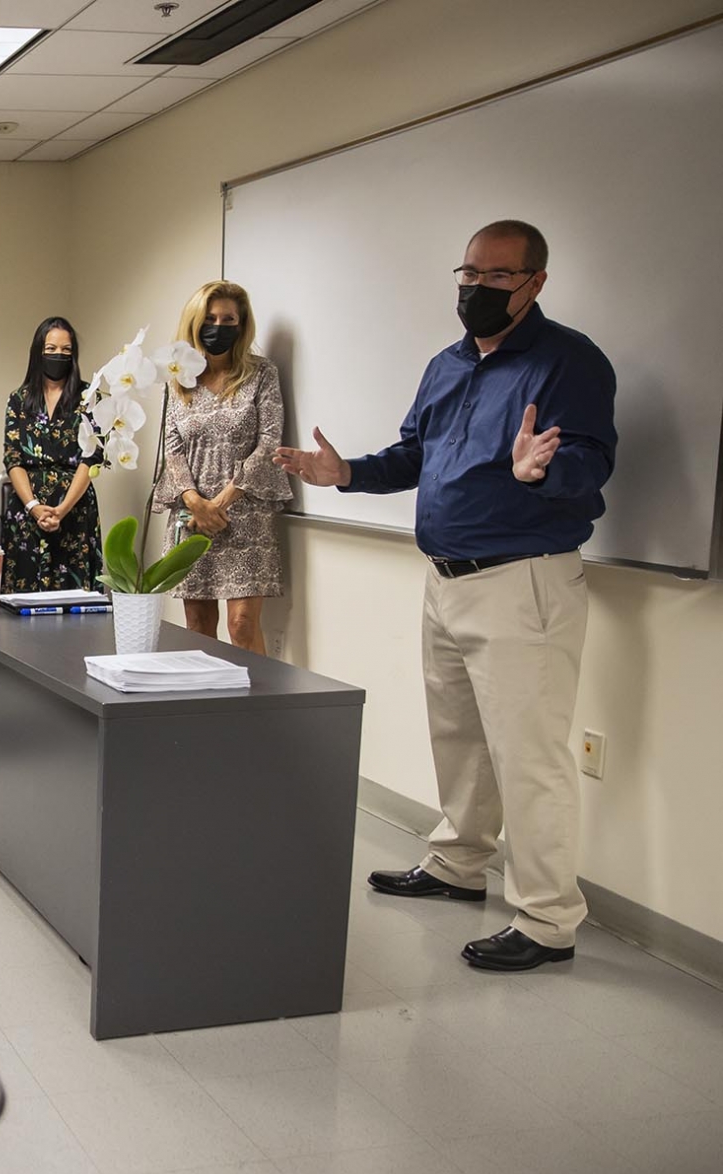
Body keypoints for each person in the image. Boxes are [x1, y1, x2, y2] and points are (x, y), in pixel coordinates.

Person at [275, 219, 616, 973]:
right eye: (468, 273)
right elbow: (416, 455)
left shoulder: (569, 361)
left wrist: (541, 472)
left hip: (524, 581)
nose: (477, 288)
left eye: (498, 276)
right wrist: (348, 476)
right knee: (460, 739)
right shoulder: (448, 364)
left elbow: (590, 462)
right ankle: (459, 864)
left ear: (536, 282)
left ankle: (548, 920)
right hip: (445, 577)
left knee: (529, 756)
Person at [152, 282, 293, 653]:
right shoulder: (179, 377)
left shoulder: (262, 374)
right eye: (210, 319)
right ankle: (207, 709)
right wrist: (195, 502)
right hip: (191, 515)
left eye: (228, 319)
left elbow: (269, 441)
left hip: (245, 513)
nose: (218, 326)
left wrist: (222, 502)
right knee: (197, 626)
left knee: (242, 626)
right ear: (195, 323)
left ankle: (253, 711)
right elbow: (172, 446)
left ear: (241, 324)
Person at [0, 317, 103, 594]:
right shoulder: (19, 399)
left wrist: (62, 509)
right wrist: (34, 506)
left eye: (66, 350)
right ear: (38, 352)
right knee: (25, 601)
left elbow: (91, 458)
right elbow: (13, 458)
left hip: (75, 509)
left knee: (76, 602)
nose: (59, 356)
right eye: (51, 349)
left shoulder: (89, 397)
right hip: (27, 510)